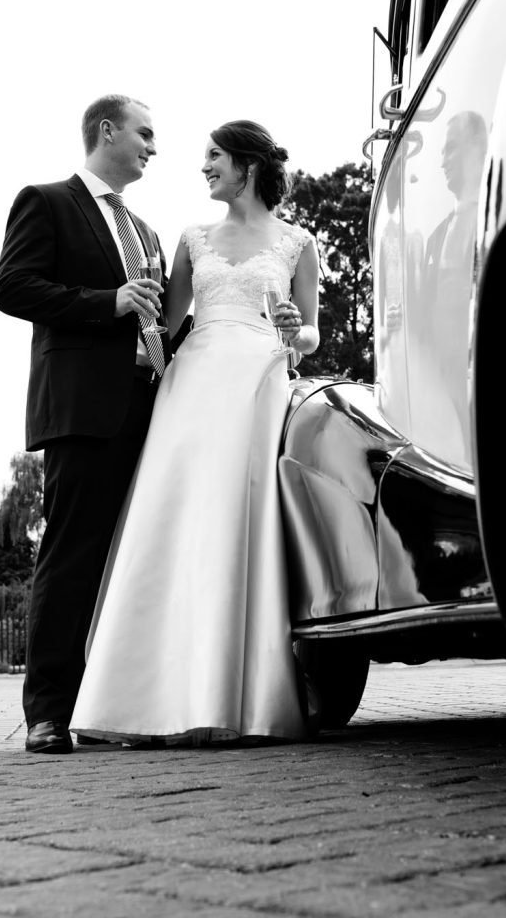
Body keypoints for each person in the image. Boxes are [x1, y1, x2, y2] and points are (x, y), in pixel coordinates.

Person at [70, 119, 320, 747]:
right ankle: (141, 700)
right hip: (192, 387)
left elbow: (310, 336)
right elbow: (167, 323)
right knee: (174, 523)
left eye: (213, 157)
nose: (203, 167)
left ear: (248, 165)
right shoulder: (192, 238)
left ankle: (234, 696)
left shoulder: (298, 243)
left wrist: (293, 330)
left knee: (240, 525)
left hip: (259, 384)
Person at [0, 94, 169, 755]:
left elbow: (156, 322)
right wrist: (110, 300)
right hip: (82, 411)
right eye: (144, 133)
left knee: (133, 564)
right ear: (107, 131)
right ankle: (48, 713)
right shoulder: (46, 201)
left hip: (150, 411)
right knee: (72, 560)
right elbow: (12, 288)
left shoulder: (148, 233)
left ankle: (115, 706)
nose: (154, 146)